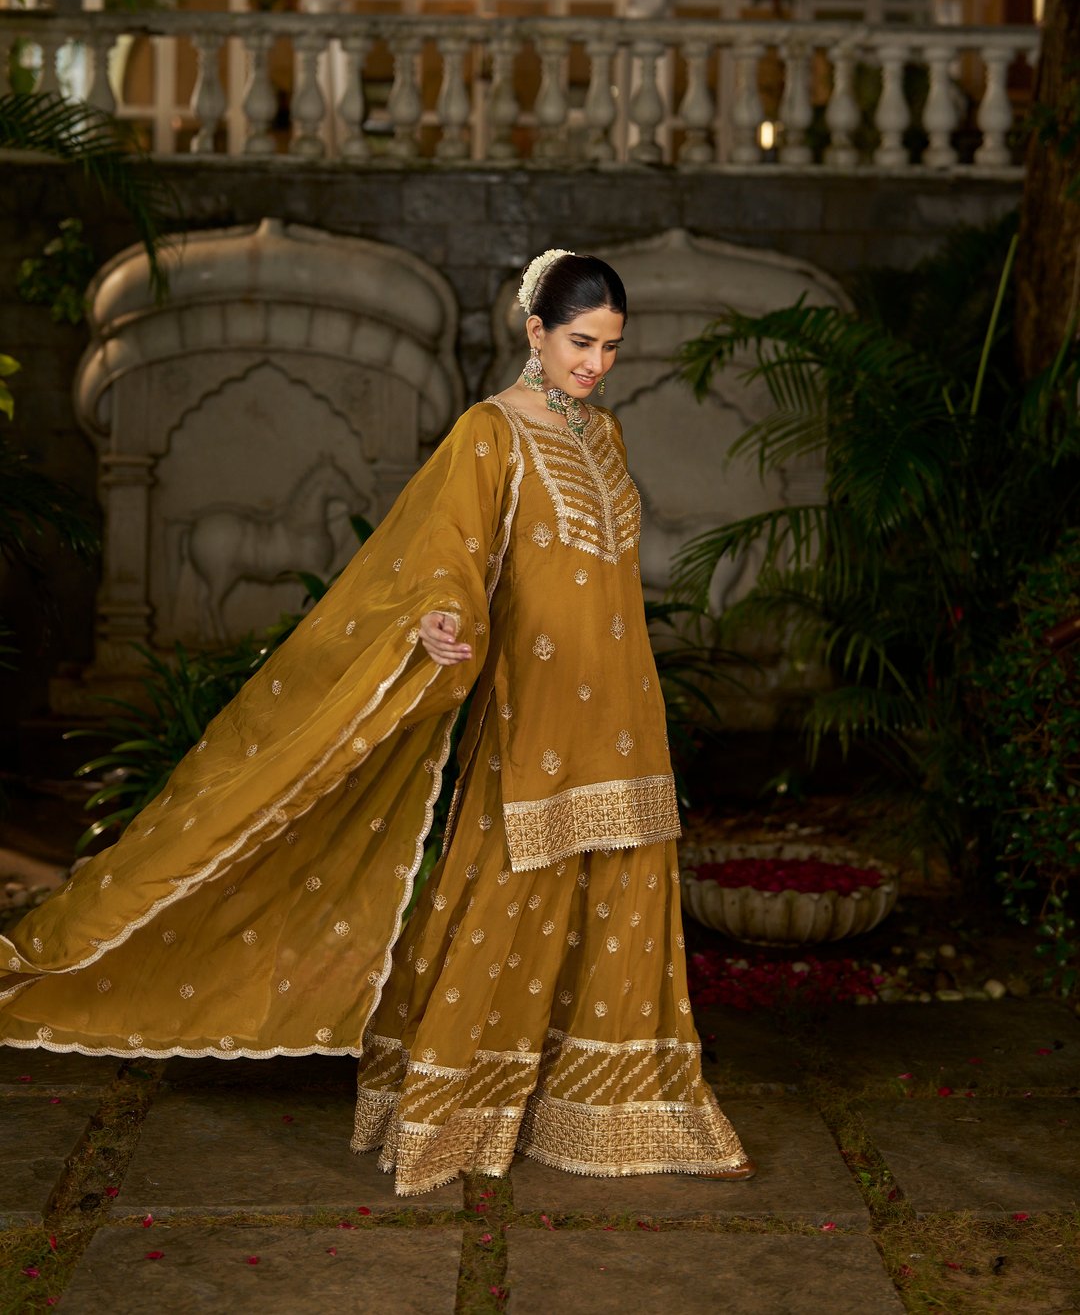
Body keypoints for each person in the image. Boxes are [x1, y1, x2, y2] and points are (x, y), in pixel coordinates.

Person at [0, 249, 754, 1193]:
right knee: (509, 879)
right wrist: (442, 615)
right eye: (579, 341)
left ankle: (615, 1108)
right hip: (535, 707)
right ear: (536, 332)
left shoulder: (606, 437)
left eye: (611, 346)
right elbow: (451, 548)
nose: (596, 363)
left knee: (628, 883)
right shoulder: (489, 432)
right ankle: (453, 1108)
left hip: (623, 705)